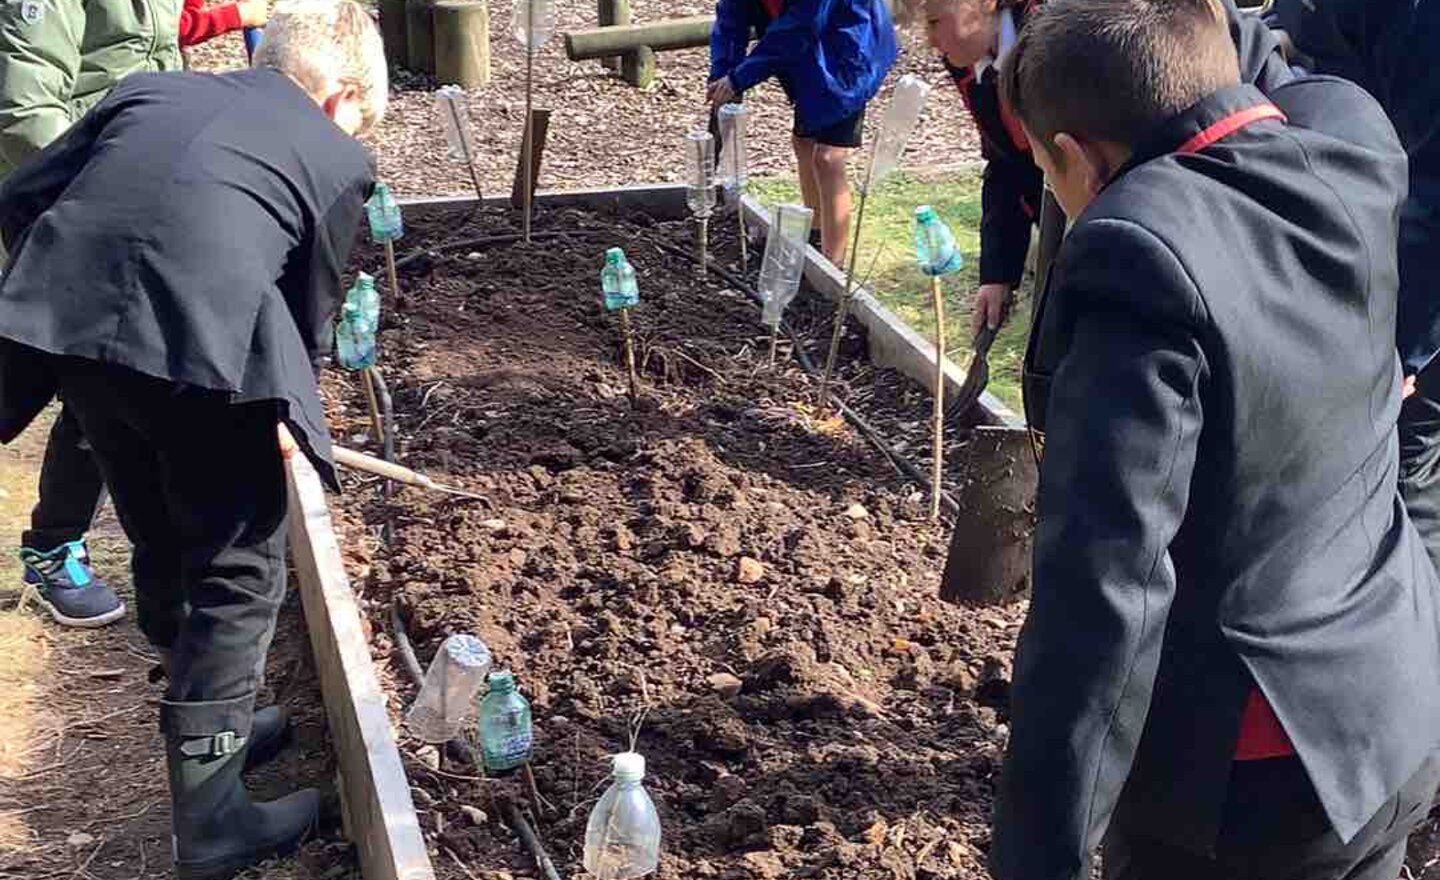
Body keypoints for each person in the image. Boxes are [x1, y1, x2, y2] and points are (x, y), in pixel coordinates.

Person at [987, 1, 1440, 878]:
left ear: (1077, 156)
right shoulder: (1350, 143)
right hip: (1391, 713)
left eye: (1047, 171)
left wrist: (1039, 857)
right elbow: (1248, 60)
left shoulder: (1138, 267)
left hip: (1254, 782)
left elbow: (1104, 594)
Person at [0, 2, 385, 876]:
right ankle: (211, 821)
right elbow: (309, 311)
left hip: (72, 337)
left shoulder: (149, 91)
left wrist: (60, 294)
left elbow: (23, 194)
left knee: (160, 529)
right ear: (341, 97)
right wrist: (286, 410)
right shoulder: (337, 159)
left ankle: (212, 719)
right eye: (360, 119)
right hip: (190, 357)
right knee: (240, 567)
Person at [907, 0, 1293, 338]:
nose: (930, 40)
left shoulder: (1065, 37)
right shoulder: (970, 66)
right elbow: (1003, 161)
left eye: (935, 21)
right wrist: (998, 272)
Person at [1, 0, 186, 628]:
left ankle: (55, 543)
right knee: (86, 371)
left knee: (103, 373)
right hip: (71, 203)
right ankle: (53, 547)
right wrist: (110, 190)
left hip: (126, 198)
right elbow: (26, 113)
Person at [1267, 0, 1440, 575]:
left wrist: (1396, 347)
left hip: (1412, 300)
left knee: (1406, 461)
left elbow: (1432, 197)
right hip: (1366, 252)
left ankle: (1415, 613)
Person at [708, 0, 898, 266]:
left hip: (852, 47)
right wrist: (721, 73)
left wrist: (738, 78)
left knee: (828, 158)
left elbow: (800, 27)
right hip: (808, 54)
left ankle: (833, 269)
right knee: (804, 143)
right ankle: (815, 239)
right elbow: (731, 20)